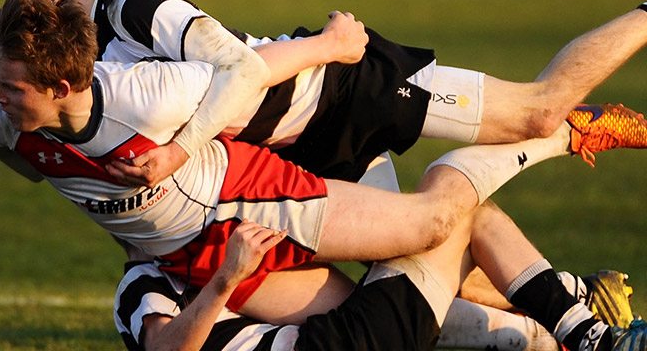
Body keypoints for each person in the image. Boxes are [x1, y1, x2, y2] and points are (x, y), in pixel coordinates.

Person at [0, 0, 640, 351]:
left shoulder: (143, 78)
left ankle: (566, 137)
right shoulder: (5, 108)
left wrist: (332, 47)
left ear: (58, 81)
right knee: (409, 290)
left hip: (296, 146)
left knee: (454, 205)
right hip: (206, 240)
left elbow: (247, 70)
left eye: (9, 83)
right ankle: (565, 319)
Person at [114, 217, 647, 350]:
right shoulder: (143, 283)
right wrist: (227, 278)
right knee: (461, 207)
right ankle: (585, 323)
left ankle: (558, 323)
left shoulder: (203, 250)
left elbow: (336, 295)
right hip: (337, 346)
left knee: (414, 250)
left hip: (343, 333)